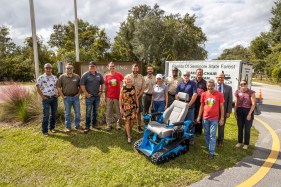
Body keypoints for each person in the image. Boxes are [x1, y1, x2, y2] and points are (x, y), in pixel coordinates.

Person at [196, 79, 225, 160]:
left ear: (214, 86)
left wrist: (222, 118)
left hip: (214, 118)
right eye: (208, 86)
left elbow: (222, 107)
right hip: (205, 118)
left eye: (212, 86)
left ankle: (211, 152)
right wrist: (199, 116)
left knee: (212, 135)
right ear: (206, 86)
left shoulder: (219, 94)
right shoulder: (203, 94)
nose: (210, 87)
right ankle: (209, 146)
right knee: (206, 133)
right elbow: (201, 106)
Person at [57, 63, 82, 132]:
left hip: (75, 98)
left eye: (70, 68)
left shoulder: (77, 77)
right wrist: (62, 96)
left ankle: (77, 125)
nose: (69, 69)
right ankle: (68, 127)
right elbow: (58, 87)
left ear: (73, 69)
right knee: (67, 113)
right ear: (65, 69)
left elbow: (81, 86)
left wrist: (79, 93)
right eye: (68, 68)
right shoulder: (62, 77)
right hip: (67, 98)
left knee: (77, 112)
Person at [80, 61, 104, 133]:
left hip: (97, 96)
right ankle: (87, 126)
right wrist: (86, 93)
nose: (92, 67)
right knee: (88, 111)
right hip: (89, 97)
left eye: (93, 66)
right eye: (91, 66)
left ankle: (94, 124)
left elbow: (102, 83)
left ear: (96, 67)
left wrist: (101, 91)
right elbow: (82, 85)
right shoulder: (85, 75)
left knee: (95, 111)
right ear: (89, 67)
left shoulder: (99, 75)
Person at [36, 63, 58, 137]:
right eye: (47, 68)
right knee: (46, 115)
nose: (48, 69)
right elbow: (38, 87)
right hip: (46, 98)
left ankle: (52, 128)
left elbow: (57, 86)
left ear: (51, 69)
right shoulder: (41, 77)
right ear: (44, 69)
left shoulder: (55, 77)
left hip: (54, 98)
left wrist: (57, 94)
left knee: (53, 114)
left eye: (49, 68)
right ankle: (44, 131)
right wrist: (42, 96)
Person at [175, 71, 198, 143]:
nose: (186, 76)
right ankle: (182, 136)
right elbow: (176, 95)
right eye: (185, 75)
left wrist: (189, 104)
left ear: (189, 76)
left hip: (190, 106)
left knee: (190, 122)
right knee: (181, 122)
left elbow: (195, 95)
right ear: (183, 76)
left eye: (188, 75)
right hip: (182, 106)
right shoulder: (180, 84)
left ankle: (191, 138)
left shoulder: (193, 84)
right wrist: (179, 103)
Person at [234, 80, 256, 150]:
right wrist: (235, 111)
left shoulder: (251, 92)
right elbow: (236, 102)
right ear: (239, 85)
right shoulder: (237, 92)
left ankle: (246, 143)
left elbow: (253, 104)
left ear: (247, 84)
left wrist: (249, 114)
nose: (243, 85)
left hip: (248, 111)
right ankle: (239, 142)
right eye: (241, 84)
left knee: (247, 129)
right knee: (240, 127)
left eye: (244, 84)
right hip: (239, 111)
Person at [104, 62, 124, 131]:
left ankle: (118, 124)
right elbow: (106, 86)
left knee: (118, 111)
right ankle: (108, 125)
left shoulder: (119, 74)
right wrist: (105, 96)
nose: (112, 68)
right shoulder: (107, 76)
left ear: (115, 67)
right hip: (109, 96)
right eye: (110, 67)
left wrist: (122, 91)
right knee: (108, 111)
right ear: (108, 67)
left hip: (117, 96)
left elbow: (124, 81)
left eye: (113, 67)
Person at [119, 75, 139, 144]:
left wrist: (137, 107)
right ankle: (129, 137)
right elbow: (120, 99)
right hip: (125, 107)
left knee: (132, 122)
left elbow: (136, 98)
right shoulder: (123, 88)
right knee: (127, 122)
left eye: (130, 79)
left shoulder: (134, 88)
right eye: (128, 79)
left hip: (133, 107)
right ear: (125, 81)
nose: (129, 80)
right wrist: (121, 108)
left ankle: (128, 132)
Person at [215, 72, 233, 147]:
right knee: (213, 126)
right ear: (216, 78)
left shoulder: (228, 88)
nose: (220, 79)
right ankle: (212, 139)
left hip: (223, 111)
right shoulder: (212, 86)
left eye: (222, 77)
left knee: (221, 126)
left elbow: (230, 100)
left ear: (224, 78)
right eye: (219, 77)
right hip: (213, 111)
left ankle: (220, 140)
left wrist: (228, 111)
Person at [127, 64, 145, 133]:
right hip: (130, 98)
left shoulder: (141, 77)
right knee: (130, 111)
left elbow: (143, 88)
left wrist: (138, 96)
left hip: (138, 97)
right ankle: (128, 126)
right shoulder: (128, 76)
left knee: (139, 112)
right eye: (134, 68)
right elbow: (125, 86)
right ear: (132, 69)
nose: (135, 69)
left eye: (136, 68)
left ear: (138, 69)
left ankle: (138, 126)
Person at [193, 68, 207, 137]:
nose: (199, 74)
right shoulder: (192, 81)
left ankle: (199, 131)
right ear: (196, 73)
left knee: (200, 116)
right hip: (193, 102)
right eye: (198, 72)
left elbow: (207, 93)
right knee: (193, 115)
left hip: (201, 103)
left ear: (202, 73)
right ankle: (194, 129)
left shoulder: (205, 83)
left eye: (200, 72)